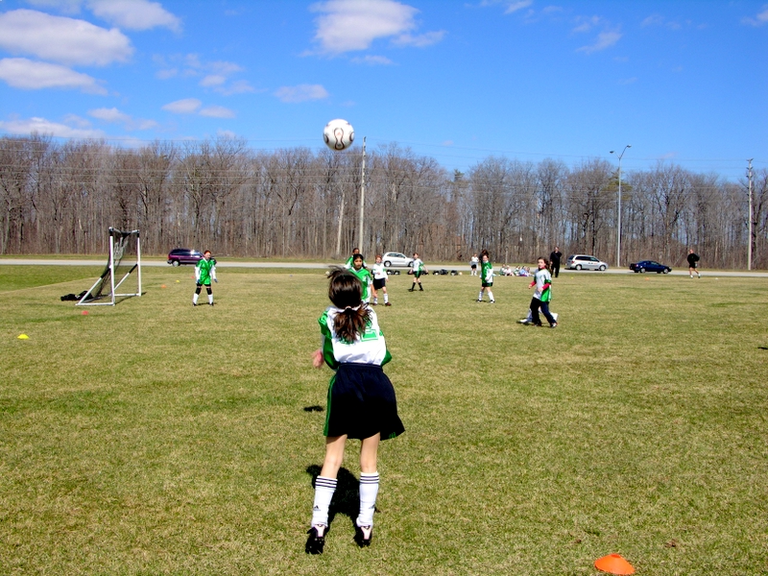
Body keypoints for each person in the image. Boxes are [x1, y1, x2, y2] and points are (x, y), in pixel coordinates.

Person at [306, 268, 405, 554]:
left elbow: (331, 355)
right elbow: (384, 354)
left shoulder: (327, 316)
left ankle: (319, 524)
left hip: (347, 382)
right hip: (377, 383)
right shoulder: (371, 314)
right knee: (369, 460)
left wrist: (322, 355)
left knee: (333, 458)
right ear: (361, 294)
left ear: (333, 296)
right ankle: (364, 525)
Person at [525, 257, 557, 328]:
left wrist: (542, 288)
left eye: (541, 262)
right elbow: (535, 281)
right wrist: (531, 284)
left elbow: (548, 283)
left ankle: (553, 322)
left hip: (544, 294)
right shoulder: (536, 271)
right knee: (533, 307)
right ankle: (537, 322)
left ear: (545, 264)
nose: (539, 264)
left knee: (544, 310)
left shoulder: (546, 272)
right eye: (538, 262)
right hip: (537, 293)